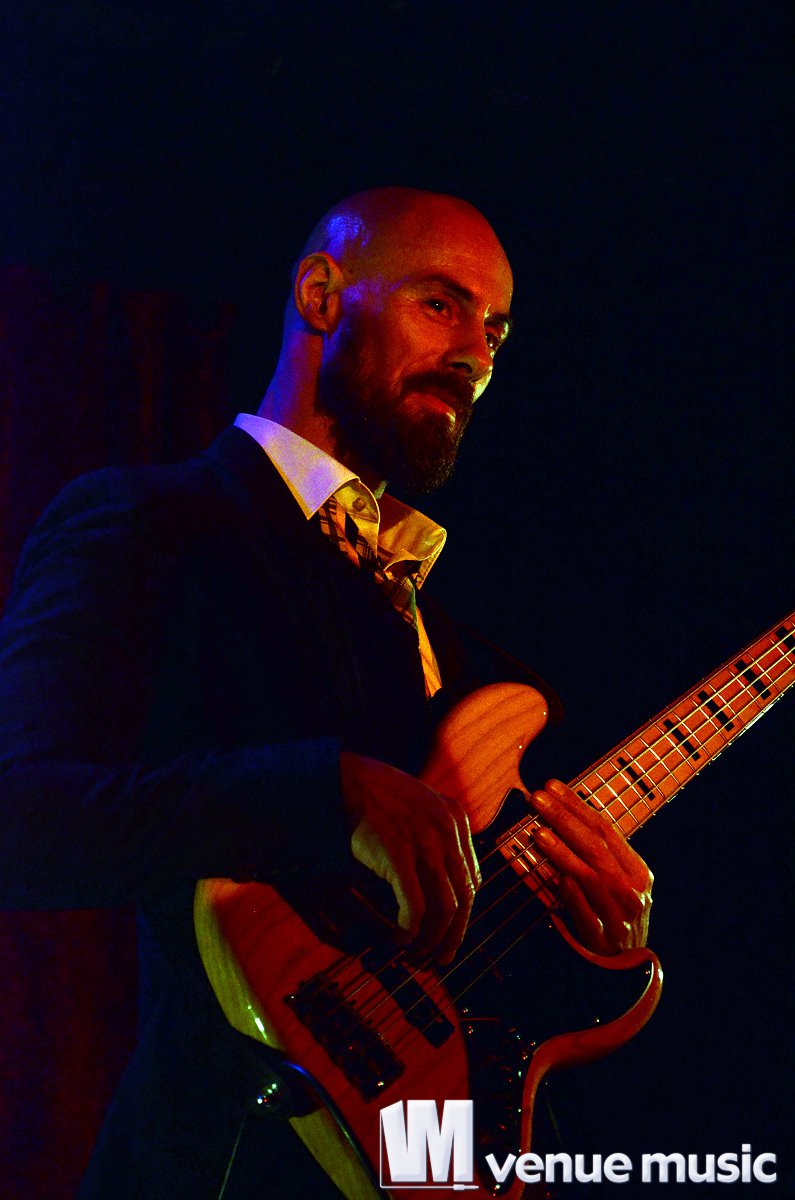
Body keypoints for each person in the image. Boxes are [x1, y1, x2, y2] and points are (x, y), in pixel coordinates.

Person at [0, 187, 652, 1198]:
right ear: (319, 294)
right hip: (219, 1160)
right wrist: (326, 791)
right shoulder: (149, 523)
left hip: (435, 1161)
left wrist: (585, 936)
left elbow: (446, 962)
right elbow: (21, 819)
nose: (475, 354)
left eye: (495, 329)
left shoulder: (456, 649)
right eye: (442, 304)